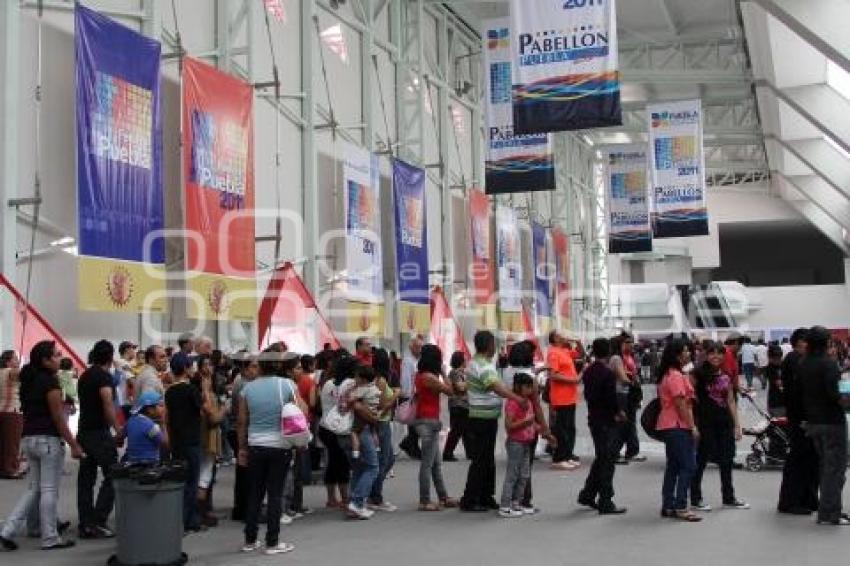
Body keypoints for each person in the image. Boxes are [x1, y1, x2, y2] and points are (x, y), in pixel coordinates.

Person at [0, 340, 83, 551]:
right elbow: (57, 417)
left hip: (29, 439)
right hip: (47, 440)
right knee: (48, 490)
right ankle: (50, 538)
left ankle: (7, 531)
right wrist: (73, 444)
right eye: (55, 355)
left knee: (33, 489)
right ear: (45, 360)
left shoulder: (28, 381)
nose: (59, 359)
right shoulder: (50, 383)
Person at [238, 349, 305, 555]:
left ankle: (250, 540)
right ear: (277, 366)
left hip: (255, 446)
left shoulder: (247, 389)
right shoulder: (287, 385)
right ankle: (272, 542)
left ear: (260, 366)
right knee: (275, 494)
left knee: (255, 494)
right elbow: (301, 410)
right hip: (280, 446)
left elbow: (242, 421)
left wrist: (242, 448)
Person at [460, 330, 527, 513]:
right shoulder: (482, 365)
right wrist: (516, 398)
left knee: (487, 460)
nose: (494, 347)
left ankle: (485, 496)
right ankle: (471, 499)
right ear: (489, 345)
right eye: (493, 344)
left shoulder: (479, 363)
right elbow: (495, 387)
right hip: (481, 419)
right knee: (481, 460)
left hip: (486, 418)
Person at [689, 342, 749, 512]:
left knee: (727, 460)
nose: (716, 356)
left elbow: (730, 400)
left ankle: (729, 497)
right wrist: (693, 424)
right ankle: (695, 498)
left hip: (724, 422)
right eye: (712, 353)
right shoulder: (697, 374)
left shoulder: (726, 374)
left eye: (719, 353)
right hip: (705, 422)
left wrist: (737, 424)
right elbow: (689, 400)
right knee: (701, 460)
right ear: (706, 355)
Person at [799, 326, 849, 525]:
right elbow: (834, 394)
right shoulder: (828, 365)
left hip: (814, 422)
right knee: (834, 470)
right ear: (826, 342)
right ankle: (830, 514)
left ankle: (827, 509)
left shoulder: (804, 363)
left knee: (825, 468)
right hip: (832, 422)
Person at [76, 340, 122, 540]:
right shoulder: (104, 378)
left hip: (84, 431)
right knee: (113, 474)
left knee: (86, 479)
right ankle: (98, 520)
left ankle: (86, 523)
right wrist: (117, 429)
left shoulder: (85, 375)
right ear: (110, 358)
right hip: (99, 434)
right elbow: (107, 403)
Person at [578, 338, 627, 515]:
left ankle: (588, 493)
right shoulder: (607, 373)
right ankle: (605, 499)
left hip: (594, 418)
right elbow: (611, 398)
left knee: (602, 457)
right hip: (606, 420)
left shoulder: (588, 371)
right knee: (607, 461)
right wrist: (619, 412)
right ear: (608, 352)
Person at [165, 352, 213, 533]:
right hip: (191, 440)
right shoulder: (190, 390)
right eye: (190, 366)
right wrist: (206, 389)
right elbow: (206, 410)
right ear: (185, 368)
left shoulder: (169, 391)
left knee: (181, 481)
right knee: (192, 482)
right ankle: (190, 521)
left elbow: (168, 419)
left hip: (177, 441)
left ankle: (181, 518)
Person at [656, 339, 701, 522]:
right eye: (684, 351)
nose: (688, 354)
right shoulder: (675, 376)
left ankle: (669, 505)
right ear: (676, 355)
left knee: (674, 467)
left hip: (670, 425)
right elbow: (681, 404)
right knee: (688, 466)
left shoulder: (672, 374)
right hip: (678, 426)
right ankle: (681, 506)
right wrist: (692, 427)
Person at [777, 328, 820, 515]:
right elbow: (799, 392)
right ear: (798, 343)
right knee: (799, 459)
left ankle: (808, 498)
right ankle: (790, 501)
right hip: (800, 418)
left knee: (810, 460)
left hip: (804, 416)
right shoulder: (795, 360)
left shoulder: (801, 360)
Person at [413, 344, 457, 511]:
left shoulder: (421, 375)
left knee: (435, 462)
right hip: (428, 421)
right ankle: (424, 500)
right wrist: (444, 373)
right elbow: (450, 390)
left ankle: (443, 496)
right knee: (427, 463)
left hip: (426, 420)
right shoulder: (429, 378)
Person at [499, 373, 545, 518]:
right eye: (527, 387)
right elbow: (509, 426)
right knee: (512, 474)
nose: (530, 390)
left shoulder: (529, 403)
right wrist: (525, 422)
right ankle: (505, 505)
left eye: (532, 387)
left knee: (524, 474)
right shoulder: (513, 404)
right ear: (519, 387)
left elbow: (532, 422)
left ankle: (516, 502)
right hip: (515, 443)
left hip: (527, 442)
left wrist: (544, 432)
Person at [343, 364, 381, 519]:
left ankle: (354, 502)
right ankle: (357, 502)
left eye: (357, 376)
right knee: (372, 466)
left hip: (358, 427)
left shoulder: (359, 389)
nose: (354, 379)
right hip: (364, 428)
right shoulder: (372, 389)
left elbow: (349, 401)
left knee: (359, 468)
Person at [318, 353, 354, 509]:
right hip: (340, 430)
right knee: (343, 464)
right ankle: (345, 498)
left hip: (325, 427)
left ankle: (331, 498)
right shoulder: (350, 384)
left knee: (333, 463)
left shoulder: (327, 384)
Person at [368, 348, 400, 512]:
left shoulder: (379, 379)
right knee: (384, 459)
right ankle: (375, 495)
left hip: (382, 421)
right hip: (381, 422)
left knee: (388, 458)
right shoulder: (380, 381)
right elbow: (380, 405)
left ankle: (374, 492)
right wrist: (395, 395)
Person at [196, 354, 226, 528]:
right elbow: (213, 417)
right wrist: (223, 409)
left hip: (209, 435)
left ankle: (204, 509)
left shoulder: (211, 387)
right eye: (205, 364)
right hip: (206, 435)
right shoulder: (203, 390)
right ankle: (200, 513)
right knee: (204, 475)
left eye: (211, 365)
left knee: (207, 473)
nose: (209, 368)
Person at [227, 353, 258, 521]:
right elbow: (241, 417)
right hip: (241, 432)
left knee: (243, 473)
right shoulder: (244, 385)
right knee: (246, 472)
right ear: (245, 369)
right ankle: (245, 510)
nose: (257, 370)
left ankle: (241, 508)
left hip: (241, 430)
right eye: (253, 366)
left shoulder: (243, 382)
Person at [546, 330, 582, 470]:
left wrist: (577, 341)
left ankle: (567, 455)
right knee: (561, 429)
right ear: (555, 338)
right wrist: (574, 379)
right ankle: (558, 458)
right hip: (560, 398)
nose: (564, 336)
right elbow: (553, 375)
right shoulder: (553, 353)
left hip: (570, 397)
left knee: (569, 428)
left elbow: (581, 354)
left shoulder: (564, 351)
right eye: (560, 334)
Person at [609, 333, 645, 464]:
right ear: (621, 344)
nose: (631, 344)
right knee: (621, 424)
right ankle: (615, 452)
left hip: (629, 393)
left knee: (629, 423)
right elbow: (622, 377)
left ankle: (631, 450)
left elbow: (632, 375)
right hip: (620, 393)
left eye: (631, 342)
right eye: (627, 342)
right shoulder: (617, 358)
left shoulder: (630, 356)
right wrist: (632, 381)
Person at [125, 391, 168, 464]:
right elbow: (164, 443)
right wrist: (163, 424)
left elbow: (121, 436)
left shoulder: (131, 420)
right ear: (150, 409)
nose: (164, 409)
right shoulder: (150, 426)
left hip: (132, 460)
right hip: (149, 462)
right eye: (161, 406)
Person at [398, 335, 424, 459]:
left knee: (416, 422)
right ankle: (411, 446)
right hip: (412, 395)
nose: (420, 349)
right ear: (412, 348)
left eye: (421, 347)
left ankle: (408, 444)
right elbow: (406, 379)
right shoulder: (408, 361)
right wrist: (408, 395)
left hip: (419, 395)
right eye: (418, 347)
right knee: (413, 423)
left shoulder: (420, 360)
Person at [443, 350, 470, 462]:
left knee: (466, 430)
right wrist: (471, 382)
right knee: (456, 430)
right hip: (458, 404)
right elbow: (461, 387)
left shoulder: (463, 373)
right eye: (464, 358)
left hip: (464, 404)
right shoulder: (455, 373)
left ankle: (470, 452)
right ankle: (448, 452)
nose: (466, 360)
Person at [0, 351, 23, 479]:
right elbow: (24, 375)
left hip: (1, 410)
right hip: (12, 411)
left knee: (2, 442)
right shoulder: (11, 372)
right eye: (15, 359)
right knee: (12, 443)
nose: (18, 361)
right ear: (8, 361)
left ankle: (3, 468)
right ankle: (11, 469)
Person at [57, 359, 78, 425]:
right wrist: (74, 405)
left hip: (58, 398)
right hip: (68, 400)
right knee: (65, 419)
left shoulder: (57, 374)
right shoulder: (72, 375)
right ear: (71, 367)